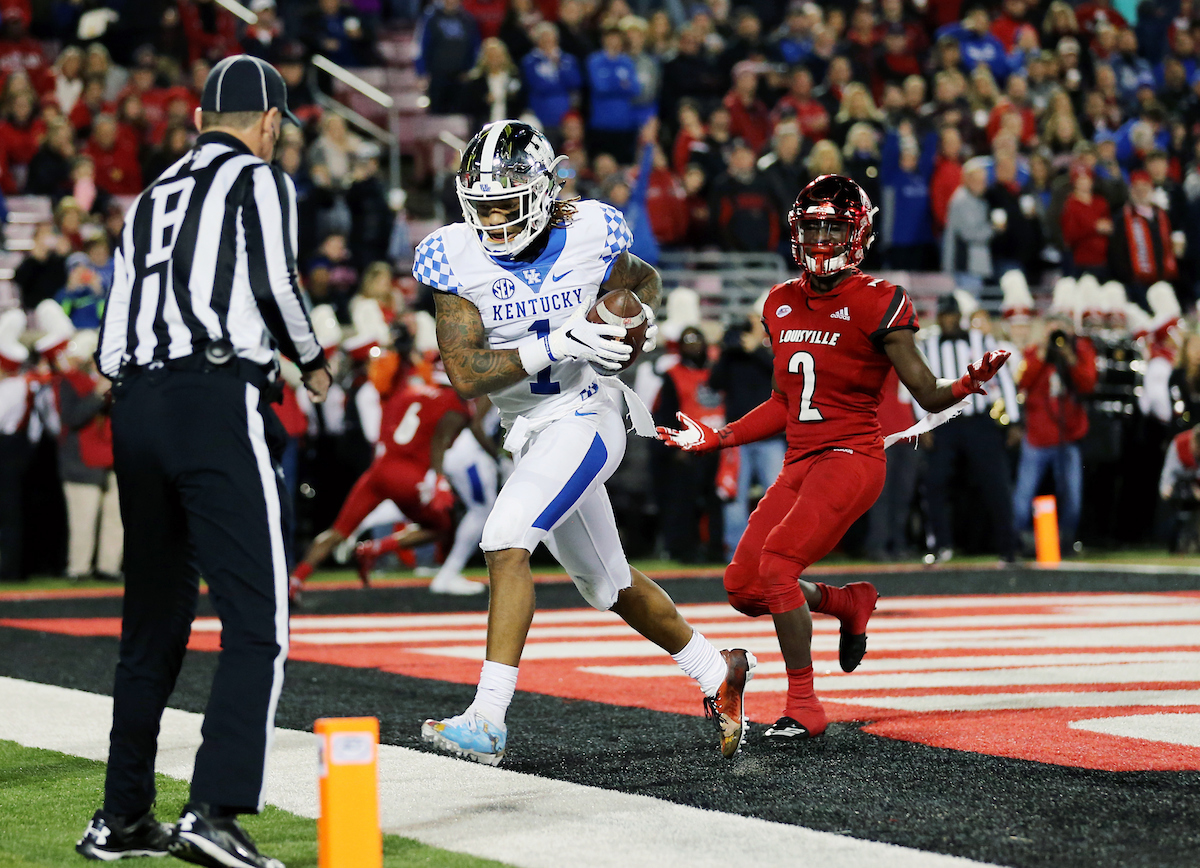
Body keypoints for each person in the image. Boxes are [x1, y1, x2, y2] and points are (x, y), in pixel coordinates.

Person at [416, 120, 753, 766]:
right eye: (482, 207)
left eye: (506, 206)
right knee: (607, 584)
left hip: (588, 412)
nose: (493, 222)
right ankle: (719, 671)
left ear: (543, 193)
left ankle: (487, 720)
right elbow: (465, 373)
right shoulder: (453, 256)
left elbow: (641, 282)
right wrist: (557, 341)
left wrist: (636, 320)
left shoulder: (591, 229)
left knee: (505, 538)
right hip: (531, 429)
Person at [78, 56, 332, 867]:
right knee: (259, 619)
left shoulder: (149, 196)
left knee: (152, 624)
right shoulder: (259, 178)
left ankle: (122, 817)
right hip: (213, 396)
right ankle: (213, 811)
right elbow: (276, 281)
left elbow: (110, 337)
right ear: (269, 124)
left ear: (197, 121)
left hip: (136, 404)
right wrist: (313, 361)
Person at [658, 175, 1011, 740]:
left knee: (777, 568)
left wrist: (967, 384)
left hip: (852, 456)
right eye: (814, 227)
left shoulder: (879, 299)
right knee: (744, 587)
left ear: (858, 233)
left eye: (834, 228)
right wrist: (719, 438)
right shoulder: (779, 301)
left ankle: (804, 704)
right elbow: (783, 402)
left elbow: (926, 393)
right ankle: (845, 603)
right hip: (801, 462)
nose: (822, 239)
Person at [292, 365, 471, 595]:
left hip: (380, 468)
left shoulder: (408, 391)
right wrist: (439, 478)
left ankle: (295, 581)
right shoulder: (455, 405)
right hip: (409, 475)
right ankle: (376, 548)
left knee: (338, 531)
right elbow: (441, 440)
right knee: (441, 527)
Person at [917, 293, 1021, 562]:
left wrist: (1014, 420)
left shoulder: (981, 340)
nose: (949, 321)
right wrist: (923, 424)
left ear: (959, 317)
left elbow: (1004, 379)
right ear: (938, 318)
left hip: (978, 421)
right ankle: (940, 545)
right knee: (934, 483)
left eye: (952, 315)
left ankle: (1008, 548)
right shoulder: (927, 345)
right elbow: (919, 385)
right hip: (943, 423)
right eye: (944, 316)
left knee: (996, 482)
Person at [1011, 311, 1097, 555]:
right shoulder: (1034, 353)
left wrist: (1069, 357)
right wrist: (1041, 353)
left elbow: (1088, 384)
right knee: (1023, 495)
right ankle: (1017, 542)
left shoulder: (1080, 353)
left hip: (1068, 435)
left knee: (1072, 496)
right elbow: (1022, 382)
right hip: (1036, 437)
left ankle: (1066, 542)